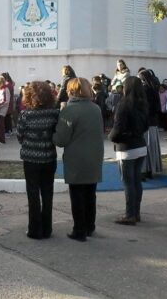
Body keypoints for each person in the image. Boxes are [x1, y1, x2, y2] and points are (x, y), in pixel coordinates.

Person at [53, 78, 104, 241]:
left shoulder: (69, 110)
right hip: (94, 156)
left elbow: (61, 139)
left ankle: (79, 230)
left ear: (72, 91)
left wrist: (52, 134)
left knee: (77, 195)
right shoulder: (96, 109)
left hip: (76, 158)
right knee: (90, 194)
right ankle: (90, 226)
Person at [17, 82, 59, 240]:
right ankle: (47, 228)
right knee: (48, 193)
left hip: (31, 158)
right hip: (49, 157)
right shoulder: (54, 113)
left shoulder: (25, 115)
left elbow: (20, 136)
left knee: (33, 194)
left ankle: (35, 230)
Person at [109, 76, 149, 226]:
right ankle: (136, 213)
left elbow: (117, 128)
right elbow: (146, 125)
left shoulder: (124, 104)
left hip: (126, 147)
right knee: (136, 181)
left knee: (128, 182)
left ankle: (130, 214)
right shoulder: (143, 103)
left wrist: (111, 137)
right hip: (140, 145)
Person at [138, 69, 163, 177]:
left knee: (146, 146)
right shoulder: (154, 89)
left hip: (145, 121)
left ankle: (144, 170)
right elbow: (158, 108)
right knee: (152, 147)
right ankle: (151, 169)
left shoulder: (144, 90)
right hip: (153, 122)